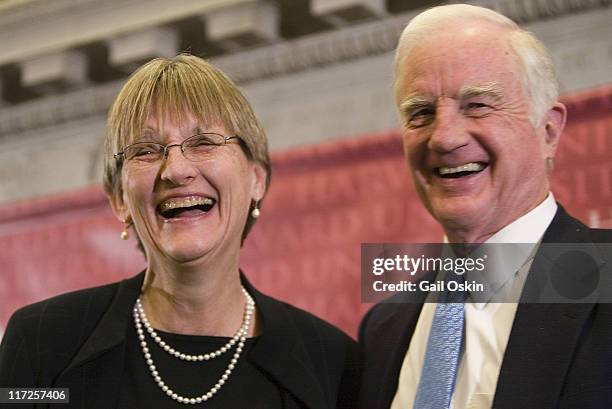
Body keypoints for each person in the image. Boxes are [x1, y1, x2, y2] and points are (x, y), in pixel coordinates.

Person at [0, 54, 360, 408]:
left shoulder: (332, 363)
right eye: (146, 150)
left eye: (203, 142)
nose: (175, 169)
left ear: (256, 179)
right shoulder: (43, 344)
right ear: (119, 200)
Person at [359, 4, 612, 409]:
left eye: (477, 104)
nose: (444, 138)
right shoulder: (381, 328)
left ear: (548, 130)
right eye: (420, 113)